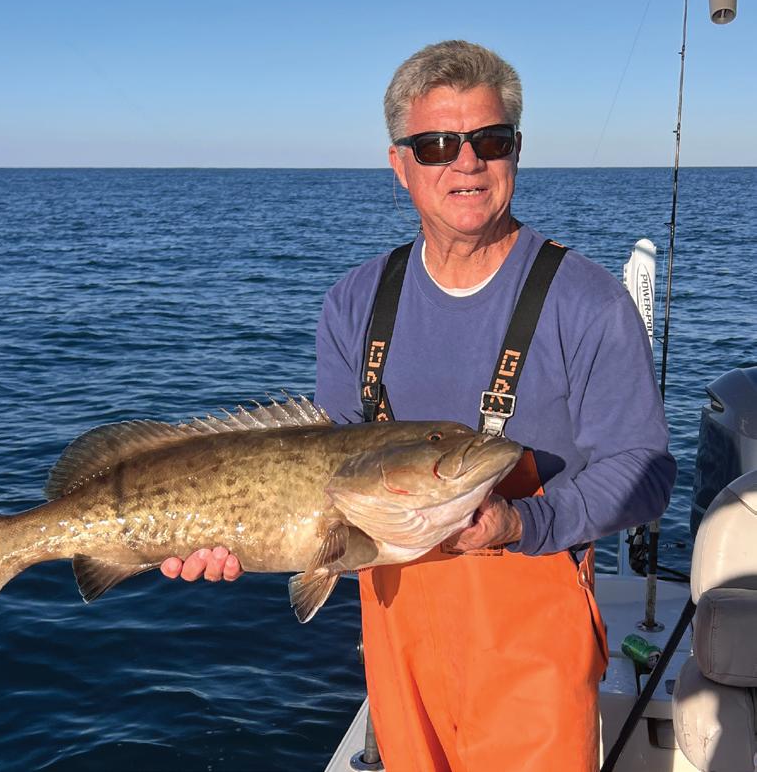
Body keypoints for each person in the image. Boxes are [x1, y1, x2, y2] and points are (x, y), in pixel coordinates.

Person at [163, 40, 676, 771]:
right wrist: (234, 536)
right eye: (436, 145)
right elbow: (321, 482)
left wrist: (522, 521)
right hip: (396, 632)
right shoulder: (353, 302)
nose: (465, 163)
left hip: (532, 645)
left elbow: (645, 470)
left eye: (488, 140)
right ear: (399, 163)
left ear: (517, 151)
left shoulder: (588, 302)